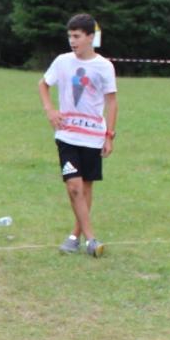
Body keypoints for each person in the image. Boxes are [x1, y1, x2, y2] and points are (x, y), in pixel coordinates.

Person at [38, 14, 118, 257]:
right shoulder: (62, 61)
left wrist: (109, 135)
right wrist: (50, 110)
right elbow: (43, 84)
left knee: (85, 187)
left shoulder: (104, 66)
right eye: (70, 36)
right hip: (67, 136)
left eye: (77, 36)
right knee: (73, 186)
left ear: (90, 37)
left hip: (93, 136)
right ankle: (92, 239)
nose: (72, 41)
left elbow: (112, 102)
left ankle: (74, 236)